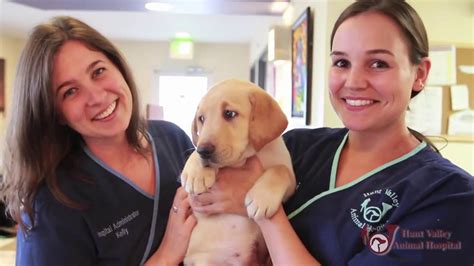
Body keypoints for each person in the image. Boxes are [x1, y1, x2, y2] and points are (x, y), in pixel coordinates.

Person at [191, 0, 474, 265]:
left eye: (378, 64)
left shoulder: (450, 196)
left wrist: (266, 213)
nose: (353, 81)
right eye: (341, 62)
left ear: (420, 73)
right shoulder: (297, 147)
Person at [0, 16, 196, 265]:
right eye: (70, 91)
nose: (96, 97)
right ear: (55, 113)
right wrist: (167, 254)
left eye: (98, 71)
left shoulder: (173, 139)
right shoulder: (52, 203)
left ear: (118, 67)